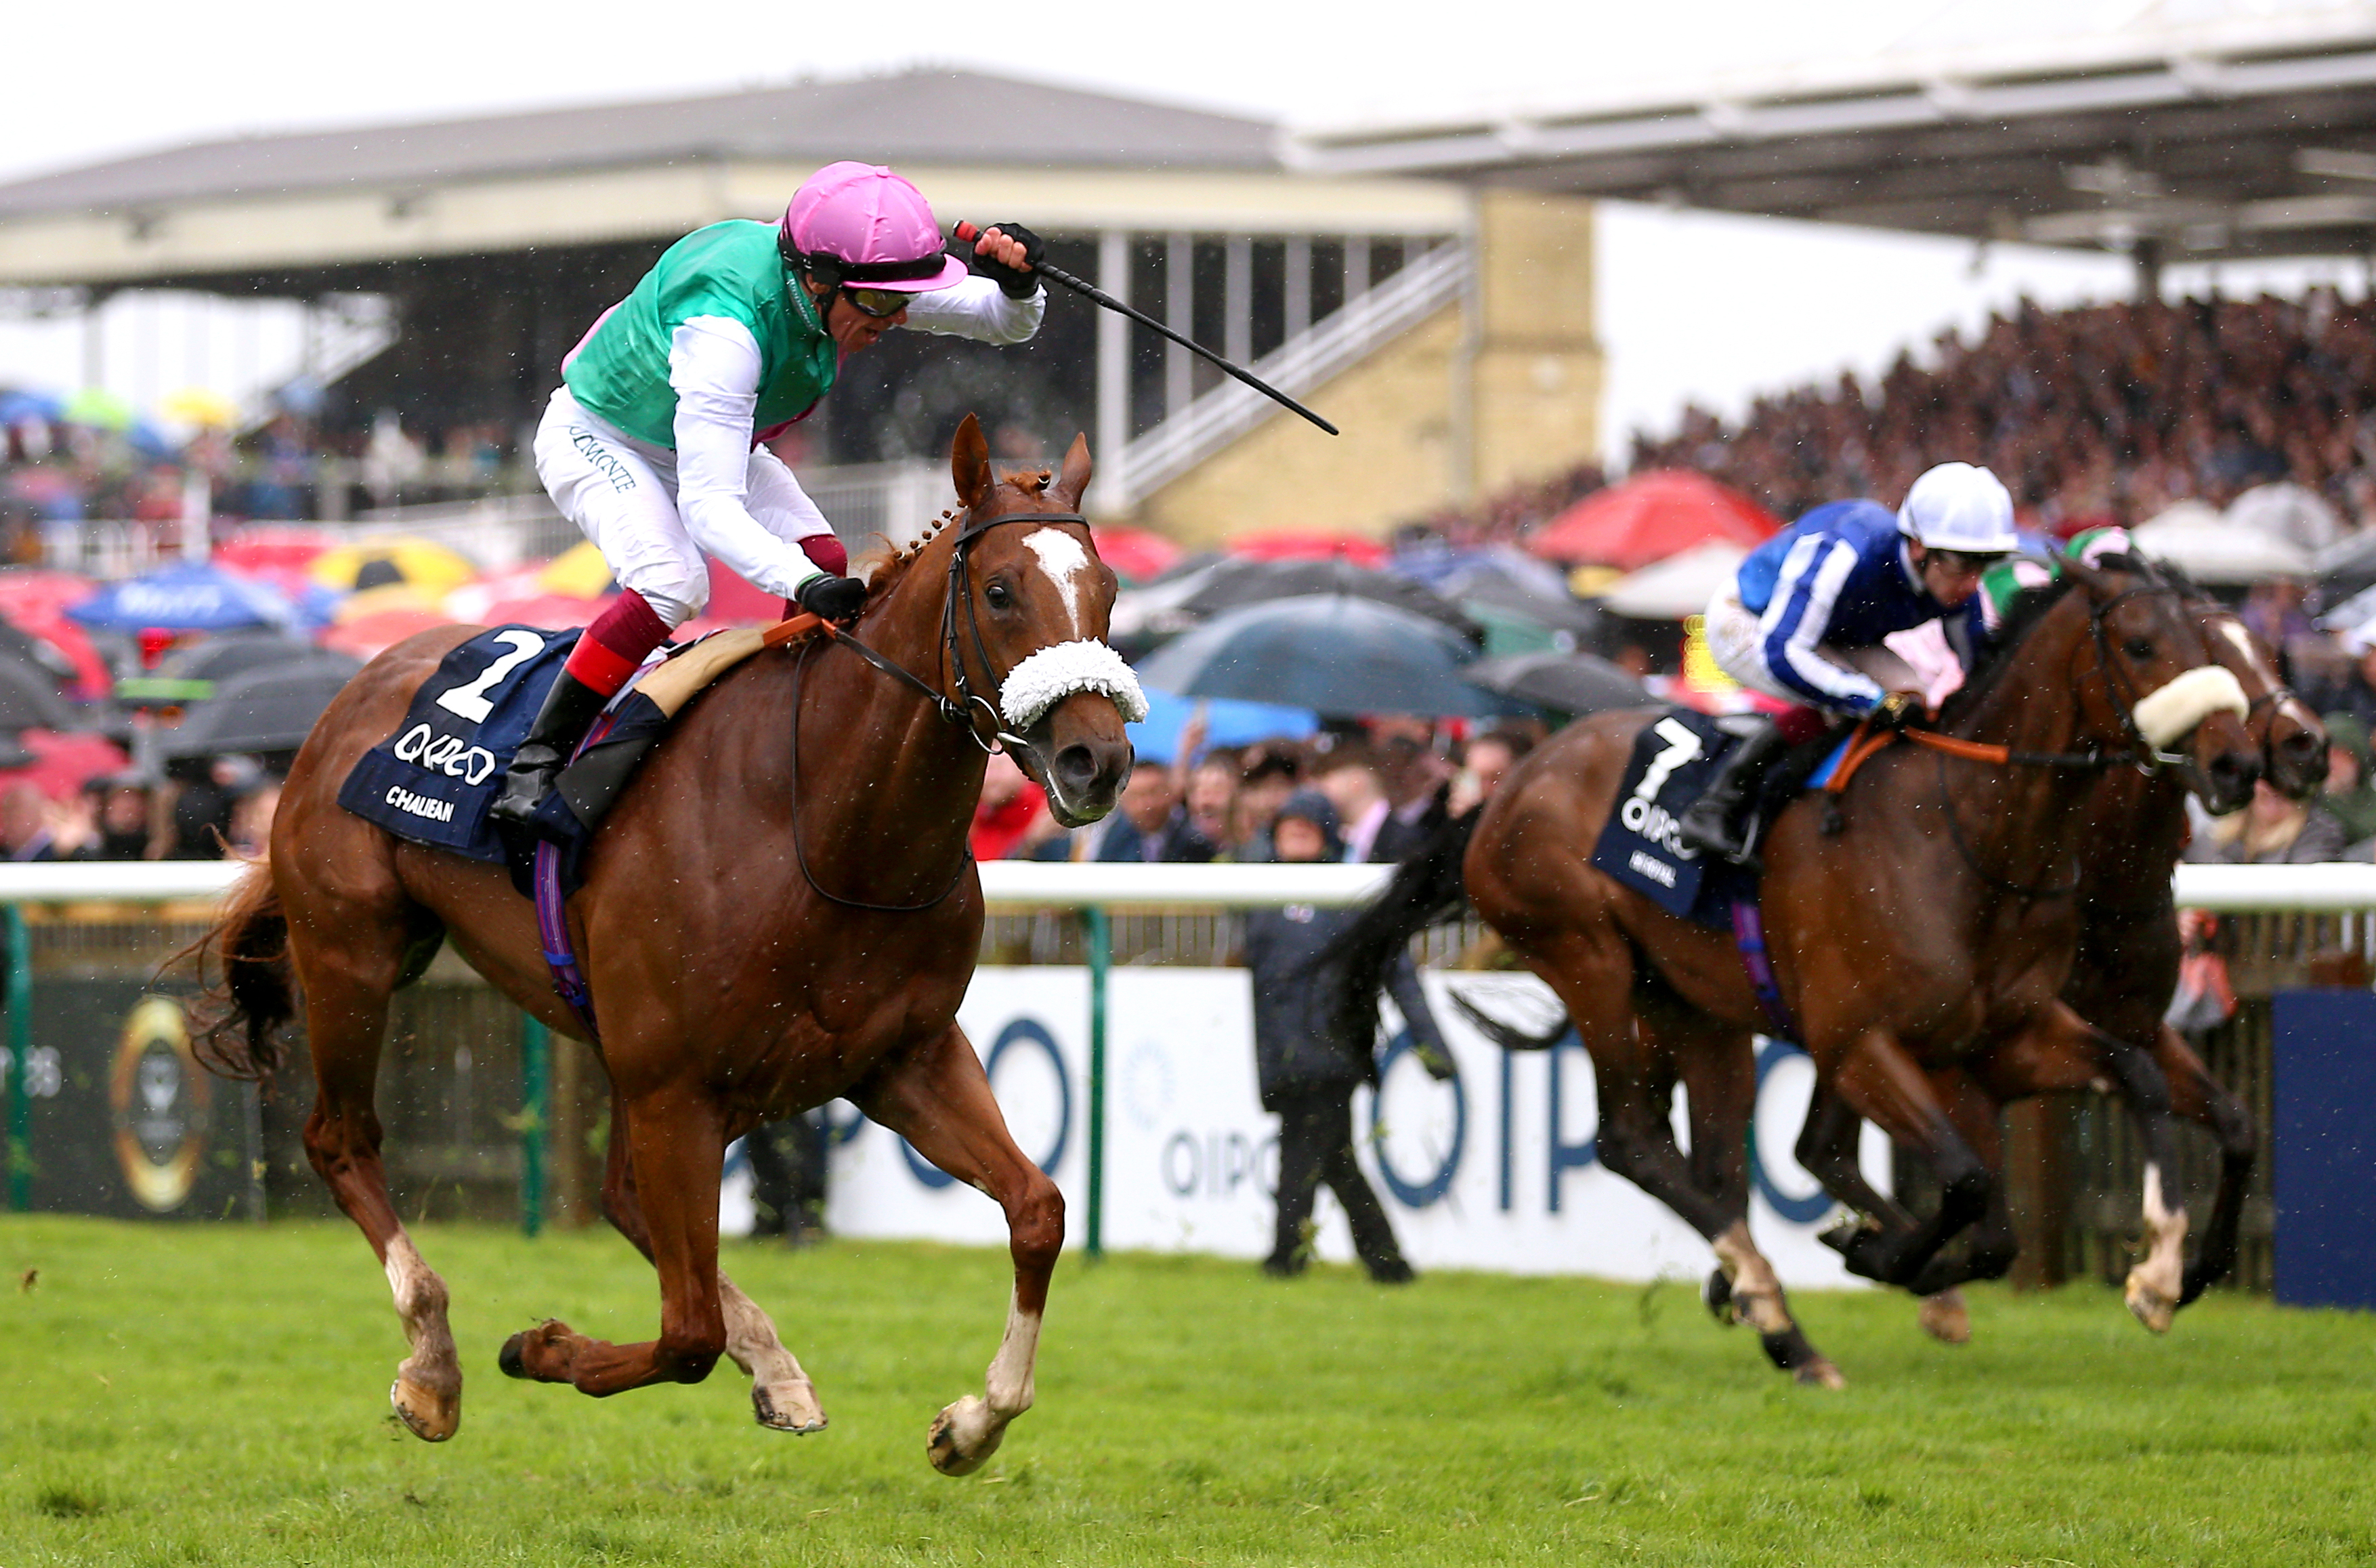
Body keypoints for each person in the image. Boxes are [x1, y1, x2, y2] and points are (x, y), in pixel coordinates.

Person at [491, 161, 1047, 839]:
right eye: (884, 304)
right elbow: (708, 509)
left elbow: (1001, 323)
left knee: (826, 556)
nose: (899, 318)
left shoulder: (851, 276)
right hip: (599, 436)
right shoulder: (728, 330)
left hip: (693, 436)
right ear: (817, 282)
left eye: (905, 299)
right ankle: (536, 763)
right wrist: (800, 583)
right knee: (673, 583)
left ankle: (785, 738)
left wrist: (1019, 286)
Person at [1678, 462, 2017, 863]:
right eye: (1964, 564)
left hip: (1833, 635)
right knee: (1846, 706)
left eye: (1984, 564)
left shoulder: (1953, 582)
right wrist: (1870, 700)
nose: (1974, 583)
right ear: (1918, 547)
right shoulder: (1843, 552)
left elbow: (1984, 670)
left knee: (1918, 700)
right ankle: (1718, 804)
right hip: (1751, 620)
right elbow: (1784, 652)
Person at [1241, 791, 1453, 1283]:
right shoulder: (1260, 895)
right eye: (1288, 825)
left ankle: (1286, 1258)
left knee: (1301, 1154)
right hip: (1282, 1056)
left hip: (1333, 1052)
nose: (1296, 833)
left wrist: (1431, 1045)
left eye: (1307, 825)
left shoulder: (1351, 895)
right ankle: (1387, 1263)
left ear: (1328, 833)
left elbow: (1399, 974)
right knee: (1335, 1160)